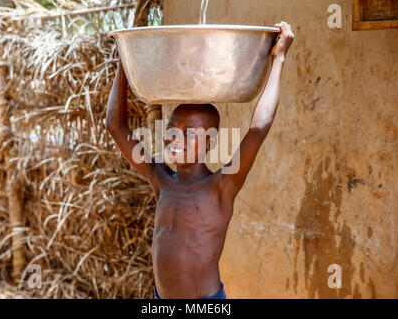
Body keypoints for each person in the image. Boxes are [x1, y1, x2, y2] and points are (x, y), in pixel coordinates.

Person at [105, 22, 294, 299]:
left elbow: (258, 128)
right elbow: (115, 127)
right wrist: (126, 58)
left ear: (210, 143)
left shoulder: (222, 186)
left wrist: (279, 58)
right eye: (172, 128)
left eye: (189, 132)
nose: (176, 138)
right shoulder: (161, 178)